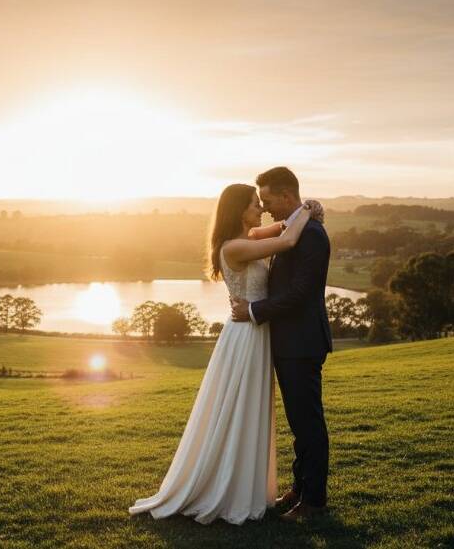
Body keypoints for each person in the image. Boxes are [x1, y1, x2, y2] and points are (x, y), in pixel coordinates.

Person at [128, 180, 322, 525]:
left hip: (256, 332)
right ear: (238, 211)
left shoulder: (249, 238)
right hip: (246, 336)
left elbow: (283, 226)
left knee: (251, 407)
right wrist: (308, 209)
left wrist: (304, 212)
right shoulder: (234, 247)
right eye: (253, 204)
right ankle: (227, 488)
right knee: (238, 406)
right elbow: (289, 238)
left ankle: (249, 486)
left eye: (261, 202)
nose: (260, 208)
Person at [230, 166, 332, 522]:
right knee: (298, 421)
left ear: (287, 196)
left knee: (308, 423)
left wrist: (254, 310)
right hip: (288, 342)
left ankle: (314, 502)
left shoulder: (312, 235)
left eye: (269, 200)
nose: (267, 206)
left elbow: (302, 293)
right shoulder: (293, 228)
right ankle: (300, 487)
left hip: (302, 342)